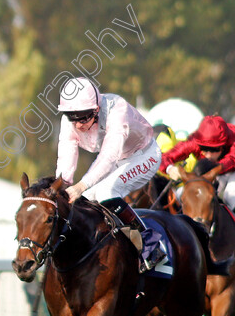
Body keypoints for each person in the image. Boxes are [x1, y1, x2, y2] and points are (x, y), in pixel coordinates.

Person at [55, 77, 165, 272]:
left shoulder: (117, 110)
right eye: (73, 117)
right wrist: (61, 186)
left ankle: (149, 245)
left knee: (106, 192)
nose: (78, 124)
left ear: (96, 110)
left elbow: (108, 157)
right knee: (84, 202)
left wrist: (80, 186)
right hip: (118, 160)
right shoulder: (69, 120)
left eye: (83, 117)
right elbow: (67, 152)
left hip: (144, 155)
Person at [160, 115, 235, 207]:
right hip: (210, 171)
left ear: (224, 145)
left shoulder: (233, 139)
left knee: (231, 196)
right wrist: (169, 168)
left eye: (214, 150)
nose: (208, 155)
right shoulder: (193, 142)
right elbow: (164, 157)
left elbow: (232, 160)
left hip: (231, 171)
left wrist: (213, 169)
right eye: (204, 149)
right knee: (183, 195)